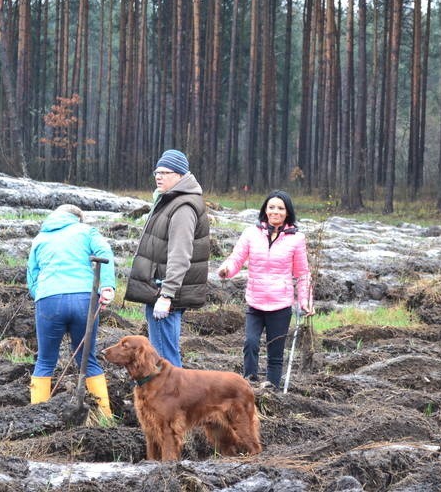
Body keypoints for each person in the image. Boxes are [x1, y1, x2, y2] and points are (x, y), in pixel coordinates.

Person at [217, 190, 312, 389]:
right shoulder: (251, 233)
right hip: (255, 301)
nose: (275, 211)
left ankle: (272, 390)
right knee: (251, 343)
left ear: (287, 213)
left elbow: (302, 274)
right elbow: (236, 258)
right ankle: (248, 385)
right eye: (271, 207)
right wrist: (226, 269)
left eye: (280, 208)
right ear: (265, 210)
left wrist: (306, 301)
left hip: (281, 305)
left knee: (275, 353)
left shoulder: (296, 239)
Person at [26, 204, 116, 417]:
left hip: (48, 300)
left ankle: (37, 418)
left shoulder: (40, 239)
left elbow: (32, 274)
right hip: (83, 299)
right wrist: (107, 286)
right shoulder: (86, 231)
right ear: (78, 219)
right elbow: (105, 252)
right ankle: (105, 416)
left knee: (45, 361)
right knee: (88, 359)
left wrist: (42, 292)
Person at [124, 149, 210, 367]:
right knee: (162, 356)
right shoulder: (170, 201)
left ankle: (173, 400)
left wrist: (167, 294)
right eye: (156, 172)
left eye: (165, 172)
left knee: (164, 361)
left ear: (180, 175)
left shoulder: (183, 206)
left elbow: (180, 254)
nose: (158, 177)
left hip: (164, 293)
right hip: (159, 289)